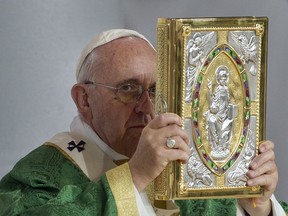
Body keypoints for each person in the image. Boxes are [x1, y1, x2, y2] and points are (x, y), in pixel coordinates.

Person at [0, 29, 287, 216]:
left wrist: (257, 206)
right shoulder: (43, 174)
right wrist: (135, 176)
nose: (147, 107)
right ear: (84, 100)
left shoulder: (189, 168)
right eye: (127, 89)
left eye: (155, 91)